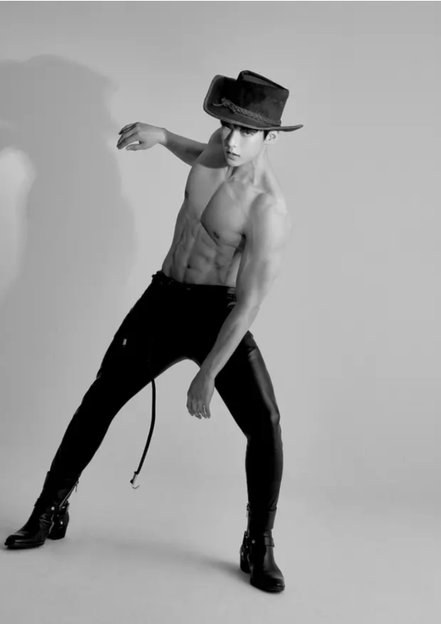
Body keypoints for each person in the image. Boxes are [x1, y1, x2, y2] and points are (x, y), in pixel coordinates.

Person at [4, 70, 302, 593]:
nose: (232, 140)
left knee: (266, 423)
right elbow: (200, 154)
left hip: (217, 314)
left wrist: (208, 373)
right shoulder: (217, 148)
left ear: (270, 137)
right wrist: (163, 136)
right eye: (227, 125)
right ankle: (49, 508)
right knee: (100, 398)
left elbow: (249, 305)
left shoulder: (267, 209)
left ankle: (259, 542)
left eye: (246, 132)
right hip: (162, 301)